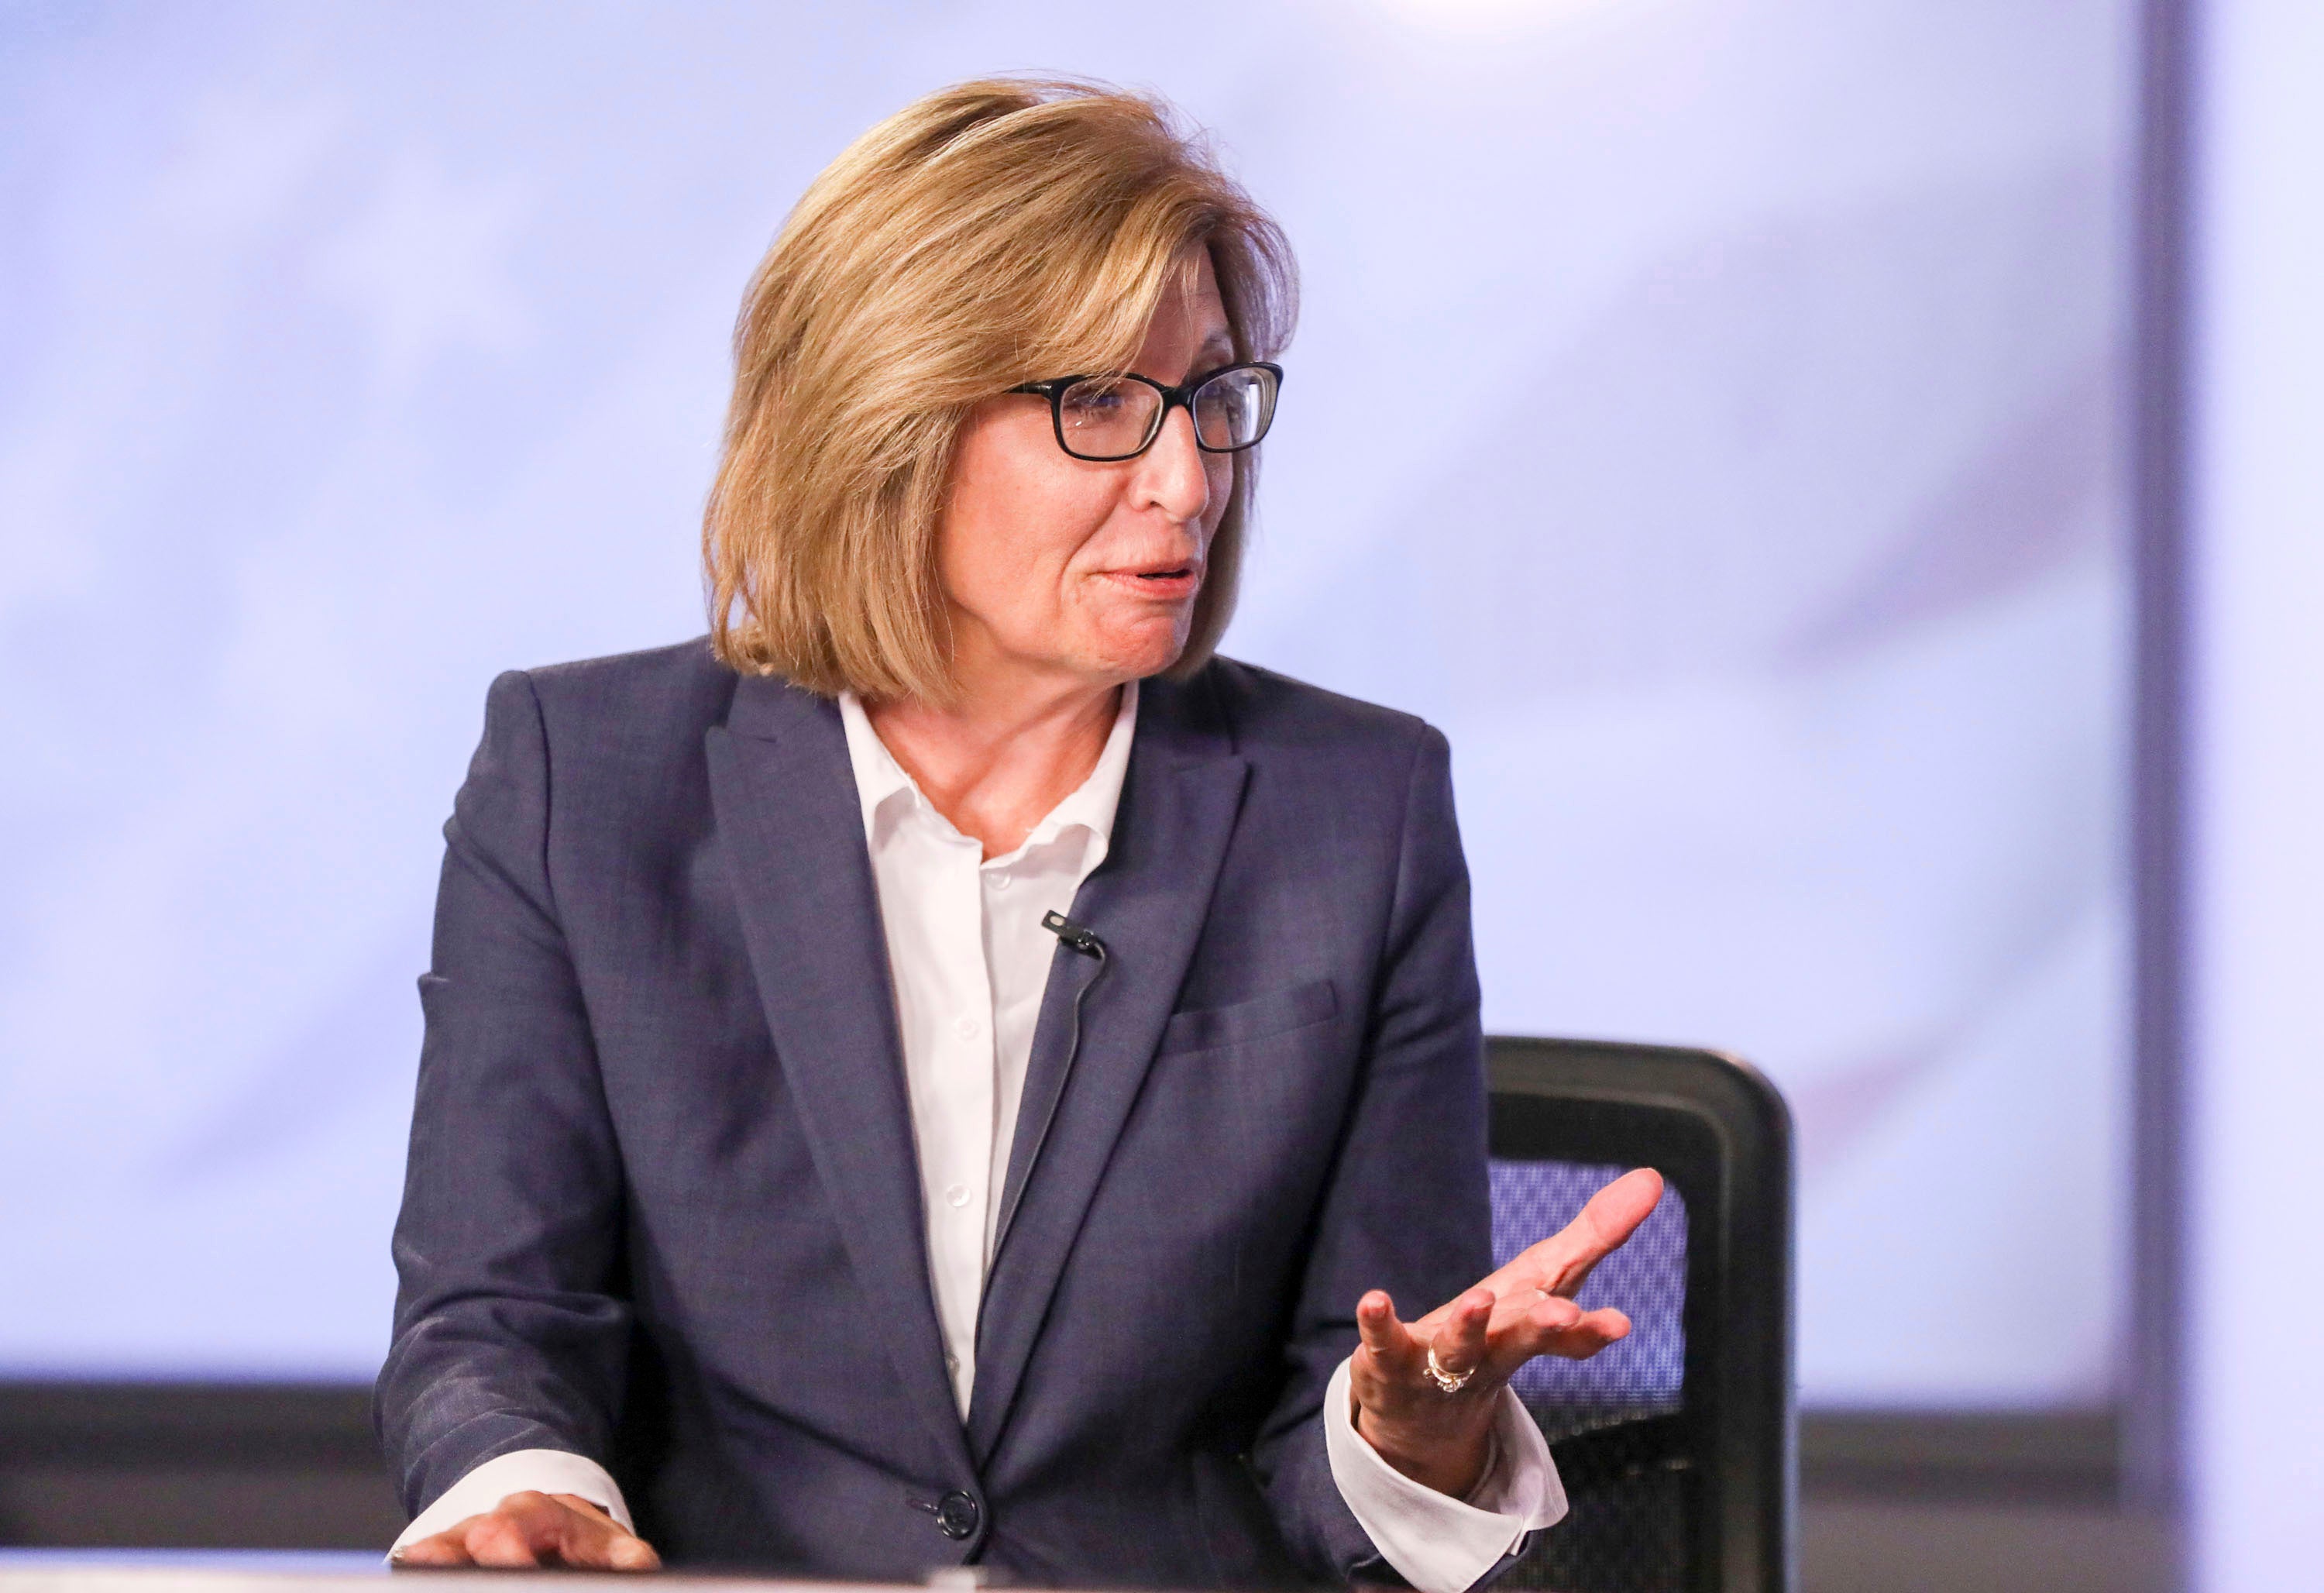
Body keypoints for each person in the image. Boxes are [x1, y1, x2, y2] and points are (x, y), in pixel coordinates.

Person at [377, 78, 1664, 1589]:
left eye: (1210, 400)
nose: (1191, 480)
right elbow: (498, 1312)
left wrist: (1410, 1433)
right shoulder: (580, 777)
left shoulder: (1356, 806)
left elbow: (1341, 1418)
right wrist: (533, 1488)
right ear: (889, 413)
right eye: (1105, 403)